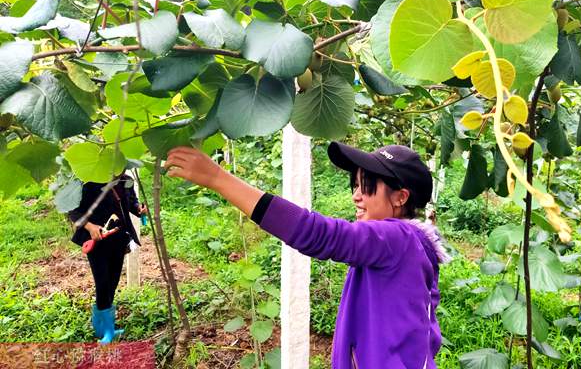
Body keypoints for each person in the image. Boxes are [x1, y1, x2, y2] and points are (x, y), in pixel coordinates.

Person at [165, 142, 451, 369]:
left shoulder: (397, 239)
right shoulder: (401, 247)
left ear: (400, 197)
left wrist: (217, 178)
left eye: (367, 187)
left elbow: (315, 233)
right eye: (355, 185)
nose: (356, 196)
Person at [68, 173, 146, 344]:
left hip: (118, 238)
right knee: (102, 282)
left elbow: (131, 203)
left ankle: (104, 325)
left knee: (113, 281)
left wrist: (139, 209)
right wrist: (89, 226)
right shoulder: (86, 180)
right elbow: (72, 210)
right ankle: (106, 331)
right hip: (97, 241)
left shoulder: (126, 180)